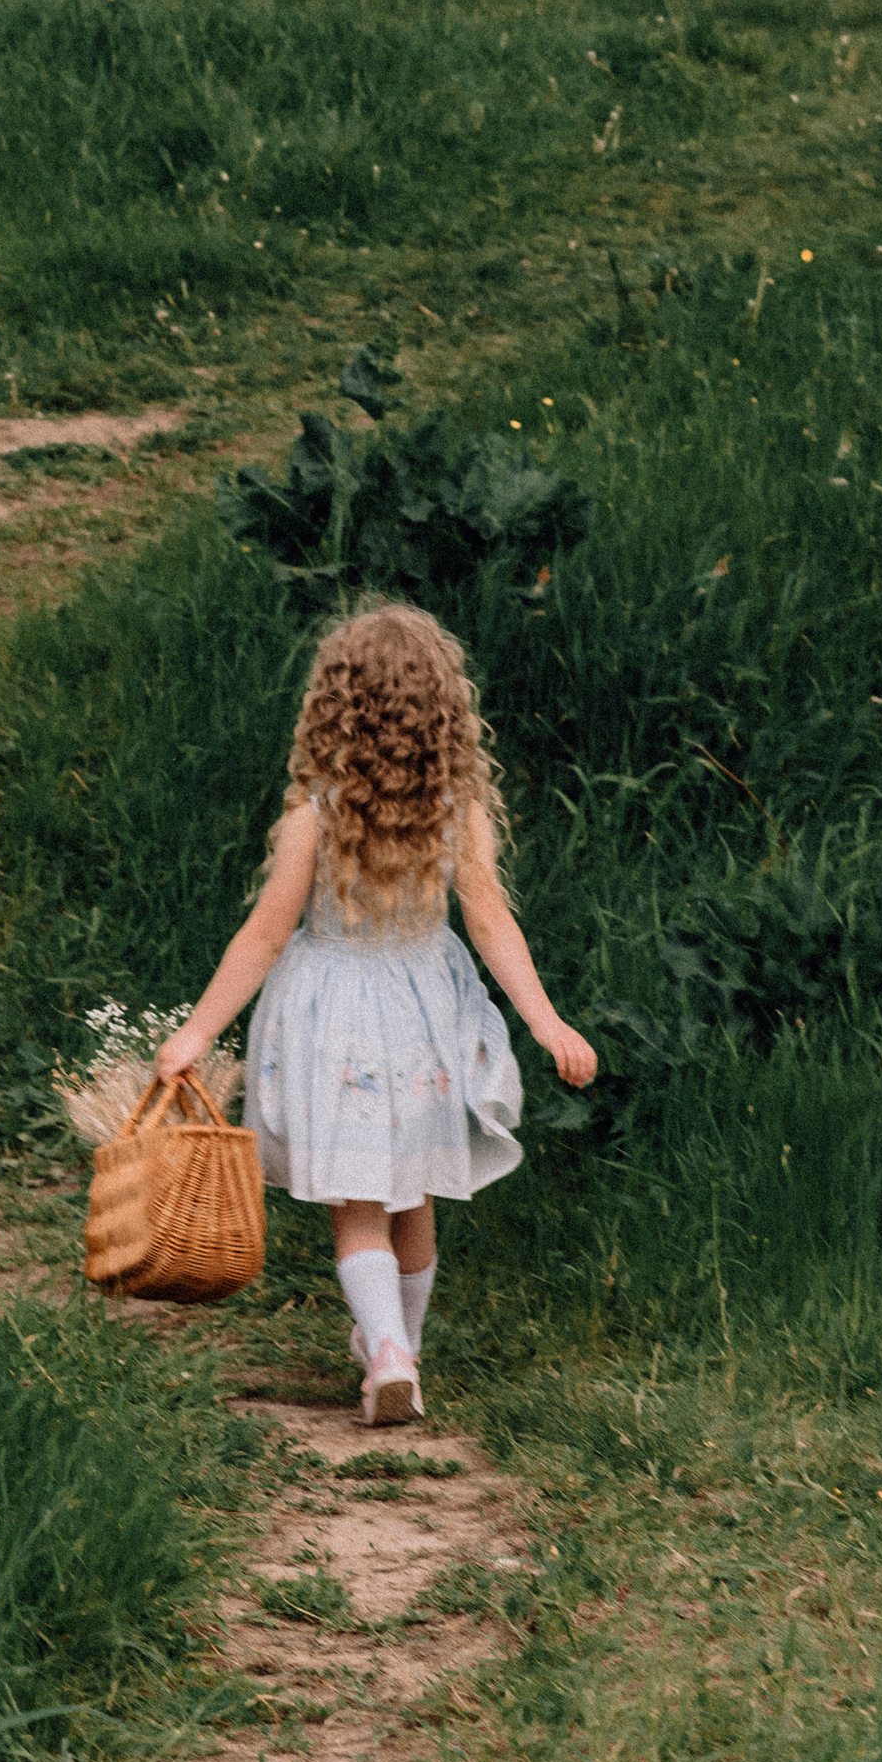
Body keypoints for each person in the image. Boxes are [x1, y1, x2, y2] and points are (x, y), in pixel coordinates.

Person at [154, 599, 596, 1426]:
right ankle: (403, 1352)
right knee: (413, 1193)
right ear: (444, 711)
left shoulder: (314, 815)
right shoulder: (456, 812)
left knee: (358, 1205)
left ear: (337, 705)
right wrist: (546, 1022)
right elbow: (491, 920)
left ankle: (387, 1351)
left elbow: (265, 934)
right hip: (424, 1020)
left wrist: (197, 1032)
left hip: (333, 1024)